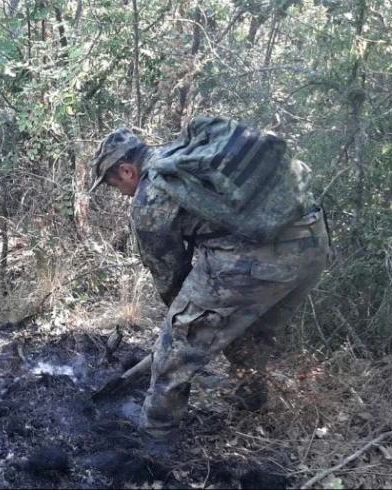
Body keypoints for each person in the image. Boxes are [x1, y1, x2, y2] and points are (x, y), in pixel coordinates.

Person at [88, 120, 330, 452]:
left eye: (114, 185)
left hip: (258, 262)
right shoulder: (186, 157)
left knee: (174, 351)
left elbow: (167, 272)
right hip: (312, 243)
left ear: (128, 170)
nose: (119, 192)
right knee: (252, 329)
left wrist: (180, 323)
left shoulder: (152, 194)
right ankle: (252, 402)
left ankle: (154, 442)